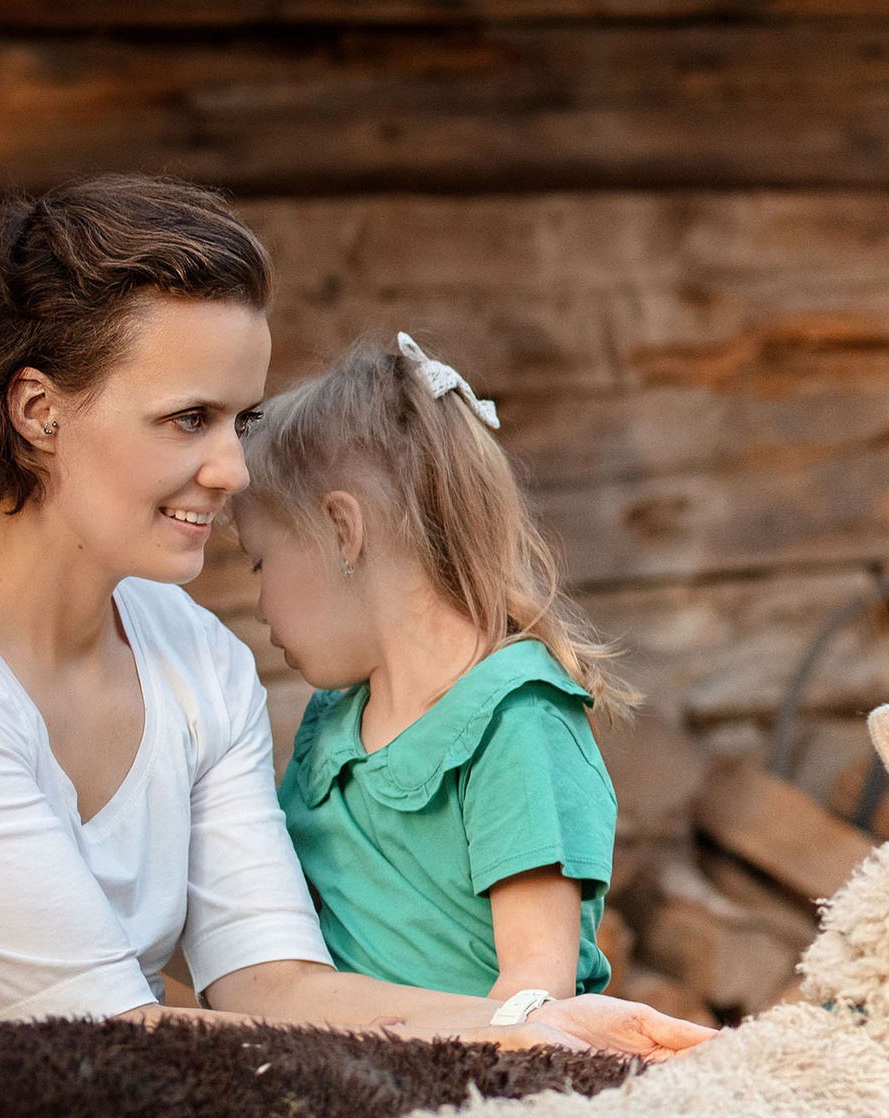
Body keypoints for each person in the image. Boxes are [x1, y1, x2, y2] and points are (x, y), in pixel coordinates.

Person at [0, 174, 710, 1109]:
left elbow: (270, 987)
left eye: (238, 419)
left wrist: (530, 1031)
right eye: (188, 418)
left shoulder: (199, 660)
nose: (231, 469)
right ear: (39, 412)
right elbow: (106, 1035)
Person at [234, 331, 627, 1004]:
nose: (261, 603)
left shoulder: (516, 723)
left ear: (341, 531)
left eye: (260, 562)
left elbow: (538, 986)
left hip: (480, 1085)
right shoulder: (332, 726)